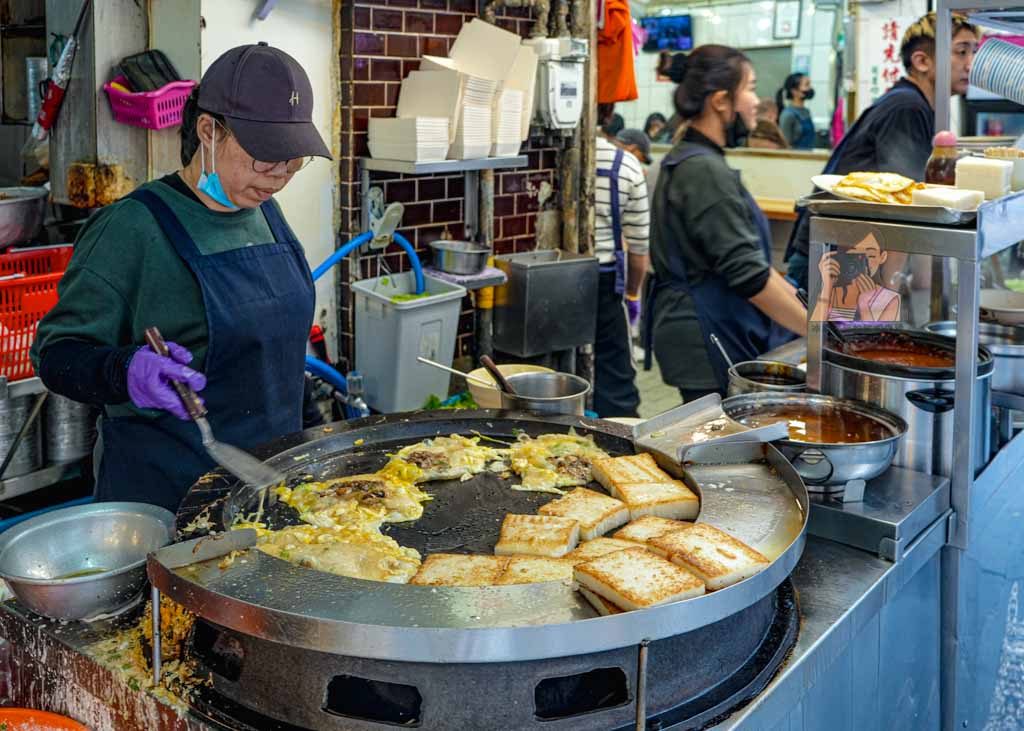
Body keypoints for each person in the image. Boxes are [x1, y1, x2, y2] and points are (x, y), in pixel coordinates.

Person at [30, 43, 331, 512]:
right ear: (209, 130)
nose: (279, 176)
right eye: (265, 156)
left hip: (268, 489)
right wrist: (124, 370)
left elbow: (281, 356)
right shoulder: (131, 228)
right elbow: (56, 355)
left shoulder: (266, 214)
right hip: (165, 499)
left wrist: (313, 438)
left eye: (293, 160)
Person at [645, 45, 807, 402]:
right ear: (720, 101)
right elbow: (750, 276)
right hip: (706, 332)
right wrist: (820, 336)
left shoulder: (697, 159)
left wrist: (811, 317)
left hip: (710, 325)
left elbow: (758, 267)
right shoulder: (702, 170)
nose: (756, 101)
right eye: (750, 88)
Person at [786, 12, 979, 289]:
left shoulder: (912, 103)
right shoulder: (907, 108)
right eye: (961, 52)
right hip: (832, 259)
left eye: (974, 51)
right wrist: (913, 289)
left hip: (844, 255)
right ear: (922, 61)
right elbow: (905, 207)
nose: (971, 63)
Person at [594, 104, 650, 417]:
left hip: (547, 279)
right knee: (616, 387)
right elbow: (639, 251)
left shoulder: (541, 156)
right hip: (604, 283)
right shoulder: (625, 164)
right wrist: (631, 293)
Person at [811, 230, 901, 323]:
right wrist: (826, 287)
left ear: (882, 257)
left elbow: (879, 333)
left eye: (871, 256)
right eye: (854, 256)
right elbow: (815, 329)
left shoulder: (890, 299)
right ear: (842, 256)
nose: (864, 263)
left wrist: (865, 305)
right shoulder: (830, 289)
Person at [776, 73, 816, 149]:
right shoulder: (788, 115)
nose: (810, 88)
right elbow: (785, 145)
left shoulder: (806, 111)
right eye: (806, 85)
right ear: (794, 91)